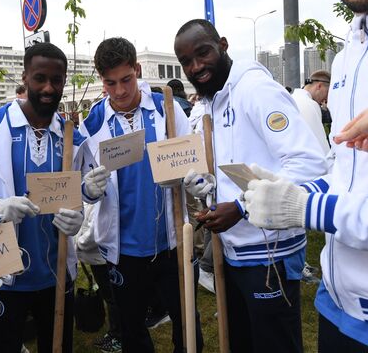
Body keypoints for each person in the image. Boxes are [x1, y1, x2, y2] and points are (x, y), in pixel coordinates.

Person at [244, 0, 368, 349]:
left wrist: (306, 208)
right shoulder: (346, 57)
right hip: (337, 301)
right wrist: (294, 193)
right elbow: (346, 172)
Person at [174, 19, 327, 353]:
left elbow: (308, 165)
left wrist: (241, 208)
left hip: (269, 252)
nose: (196, 67)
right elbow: (239, 164)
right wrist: (208, 184)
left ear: (223, 45)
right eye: (187, 61)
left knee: (275, 345)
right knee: (243, 342)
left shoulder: (255, 89)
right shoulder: (211, 99)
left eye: (203, 53)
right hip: (232, 252)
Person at [0, 42, 97, 353]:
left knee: (58, 346)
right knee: (3, 347)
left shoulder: (73, 135)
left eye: (56, 80)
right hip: (2, 270)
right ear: (25, 77)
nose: (48, 88)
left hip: (56, 271)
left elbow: (76, 191)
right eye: (39, 78)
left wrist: (80, 209)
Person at [79, 37, 203, 353]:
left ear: (137, 69)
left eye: (126, 79)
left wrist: (197, 181)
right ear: (101, 80)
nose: (119, 91)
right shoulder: (92, 123)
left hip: (172, 242)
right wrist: (88, 191)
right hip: (123, 250)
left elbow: (192, 163)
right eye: (110, 83)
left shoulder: (168, 108)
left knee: (188, 326)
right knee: (132, 331)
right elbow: (82, 183)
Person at [75, 203, 122, 352]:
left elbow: (94, 233)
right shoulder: (89, 198)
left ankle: (119, 337)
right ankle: (114, 332)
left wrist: (77, 244)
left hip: (102, 258)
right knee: (108, 295)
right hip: (97, 258)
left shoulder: (99, 202)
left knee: (112, 297)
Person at [292, 70, 331, 154]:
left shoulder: (291, 99)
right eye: (328, 93)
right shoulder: (309, 104)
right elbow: (321, 146)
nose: (327, 99)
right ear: (319, 86)